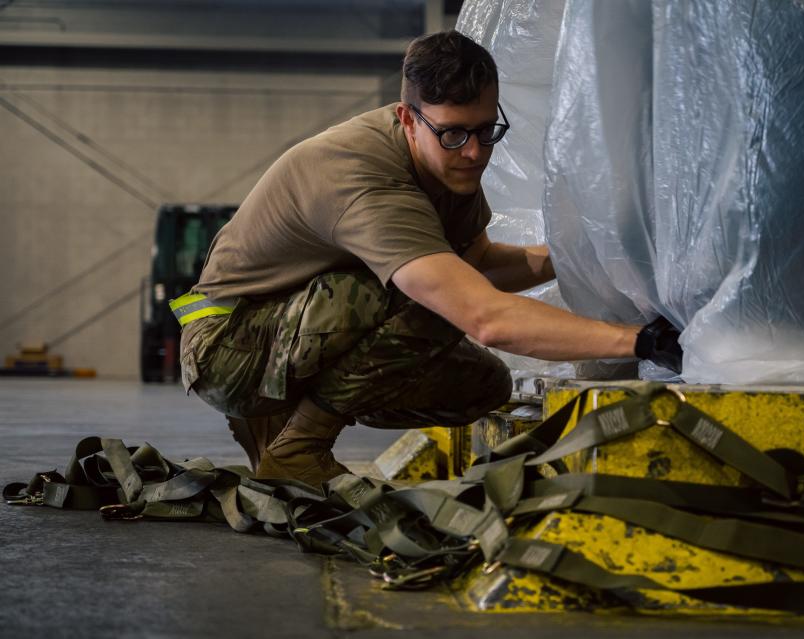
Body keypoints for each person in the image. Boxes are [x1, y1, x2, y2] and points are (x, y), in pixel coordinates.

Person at [173, 30, 681, 489]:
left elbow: (478, 263)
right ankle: (298, 448)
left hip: (290, 330)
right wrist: (640, 342)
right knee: (432, 298)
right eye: (454, 134)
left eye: (487, 131)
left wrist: (575, 253)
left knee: (484, 385)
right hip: (226, 348)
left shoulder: (447, 164)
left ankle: (285, 427)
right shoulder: (364, 180)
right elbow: (481, 313)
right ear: (406, 119)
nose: (474, 153)